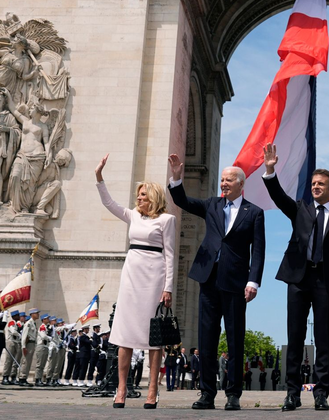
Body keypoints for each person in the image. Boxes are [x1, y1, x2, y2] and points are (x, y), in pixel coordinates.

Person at [168, 153, 266, 411]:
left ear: (241, 184)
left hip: (236, 283)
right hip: (208, 279)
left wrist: (253, 281)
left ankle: (233, 394)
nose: (223, 183)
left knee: (235, 340)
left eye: (229, 180)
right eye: (222, 180)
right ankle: (207, 394)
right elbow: (183, 201)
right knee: (207, 339)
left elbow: (259, 250)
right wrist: (177, 177)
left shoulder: (254, 213)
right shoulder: (211, 205)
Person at [261, 143, 329, 411]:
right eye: (313, 183)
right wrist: (270, 171)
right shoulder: (300, 208)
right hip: (298, 281)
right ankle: (292, 392)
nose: (315, 187)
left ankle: (321, 393)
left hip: (326, 283)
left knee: (324, 338)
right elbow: (279, 197)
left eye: (321, 184)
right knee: (295, 336)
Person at [95, 154, 176, 409]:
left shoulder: (167, 220)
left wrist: (168, 287)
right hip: (131, 275)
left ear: (153, 197)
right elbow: (109, 203)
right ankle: (121, 388)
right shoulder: (132, 216)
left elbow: (171, 255)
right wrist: (99, 176)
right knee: (125, 334)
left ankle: (152, 389)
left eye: (143, 195)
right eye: (138, 195)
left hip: (154, 277)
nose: (138, 198)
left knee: (153, 337)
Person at [19, 308, 39, 385]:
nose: (38, 314)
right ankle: (22, 378)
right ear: (32, 314)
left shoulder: (33, 323)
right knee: (25, 361)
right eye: (36, 313)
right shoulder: (28, 323)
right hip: (28, 344)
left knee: (29, 361)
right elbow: (24, 336)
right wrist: (23, 346)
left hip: (32, 343)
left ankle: (25, 377)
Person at [1, 309, 22, 384]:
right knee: (9, 360)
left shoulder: (18, 324)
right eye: (18, 315)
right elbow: (13, 331)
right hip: (11, 342)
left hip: (17, 342)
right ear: (14, 316)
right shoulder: (11, 323)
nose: (19, 316)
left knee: (15, 361)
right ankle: (5, 377)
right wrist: (19, 334)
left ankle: (13, 376)